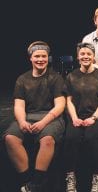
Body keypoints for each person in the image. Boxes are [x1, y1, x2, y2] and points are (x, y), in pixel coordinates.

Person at [3, 41, 66, 192]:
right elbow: (19, 106)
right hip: (28, 116)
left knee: (47, 140)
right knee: (10, 138)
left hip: (50, 117)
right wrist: (22, 121)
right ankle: (27, 181)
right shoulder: (22, 79)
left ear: (48, 58)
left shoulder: (56, 78)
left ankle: (37, 183)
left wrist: (44, 122)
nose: (40, 59)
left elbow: (60, 105)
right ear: (30, 58)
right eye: (37, 56)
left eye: (43, 56)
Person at [63, 42, 98, 192]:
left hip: (96, 117)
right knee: (71, 138)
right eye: (82, 54)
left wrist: (94, 118)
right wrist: (74, 118)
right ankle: (70, 177)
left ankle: (97, 177)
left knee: (90, 137)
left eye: (89, 54)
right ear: (78, 57)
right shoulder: (71, 76)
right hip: (77, 116)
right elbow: (68, 100)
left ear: (93, 56)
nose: (85, 56)